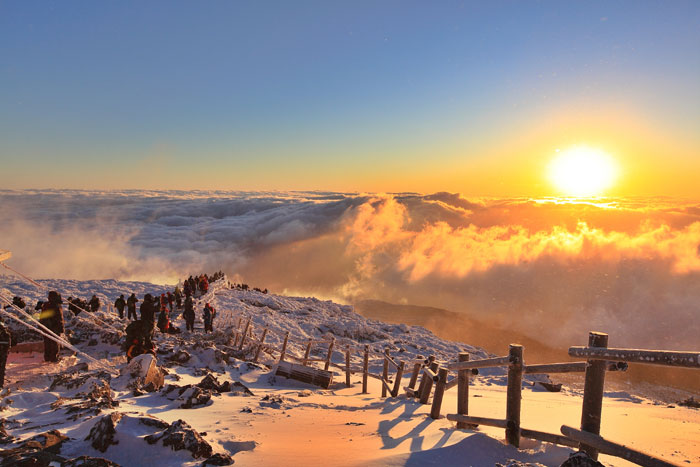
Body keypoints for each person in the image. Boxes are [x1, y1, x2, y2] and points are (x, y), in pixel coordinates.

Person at [39, 291, 65, 362]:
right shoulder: (57, 306)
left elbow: (42, 317)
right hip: (54, 327)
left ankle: (47, 358)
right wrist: (61, 328)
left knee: (47, 343)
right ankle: (54, 358)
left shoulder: (45, 305)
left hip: (46, 327)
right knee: (55, 343)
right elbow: (59, 318)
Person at [0, 317, 10, 388]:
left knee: (1, 369)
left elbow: (7, 345)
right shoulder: (6, 333)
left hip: (2, 353)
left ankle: (0, 385)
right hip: (3, 353)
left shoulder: (5, 333)